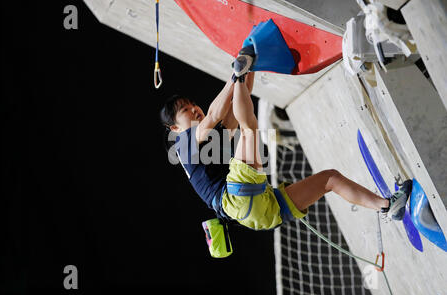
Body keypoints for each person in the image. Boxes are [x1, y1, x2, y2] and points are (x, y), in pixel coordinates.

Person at [159, 49, 411, 231]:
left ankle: (387, 205)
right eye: (185, 110)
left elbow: (238, 103)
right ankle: (386, 204)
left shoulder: (212, 140)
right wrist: (236, 75)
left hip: (258, 214)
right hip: (236, 199)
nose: (194, 109)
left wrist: (251, 66)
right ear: (174, 127)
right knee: (249, 129)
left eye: (193, 105)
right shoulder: (183, 145)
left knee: (329, 179)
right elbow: (215, 114)